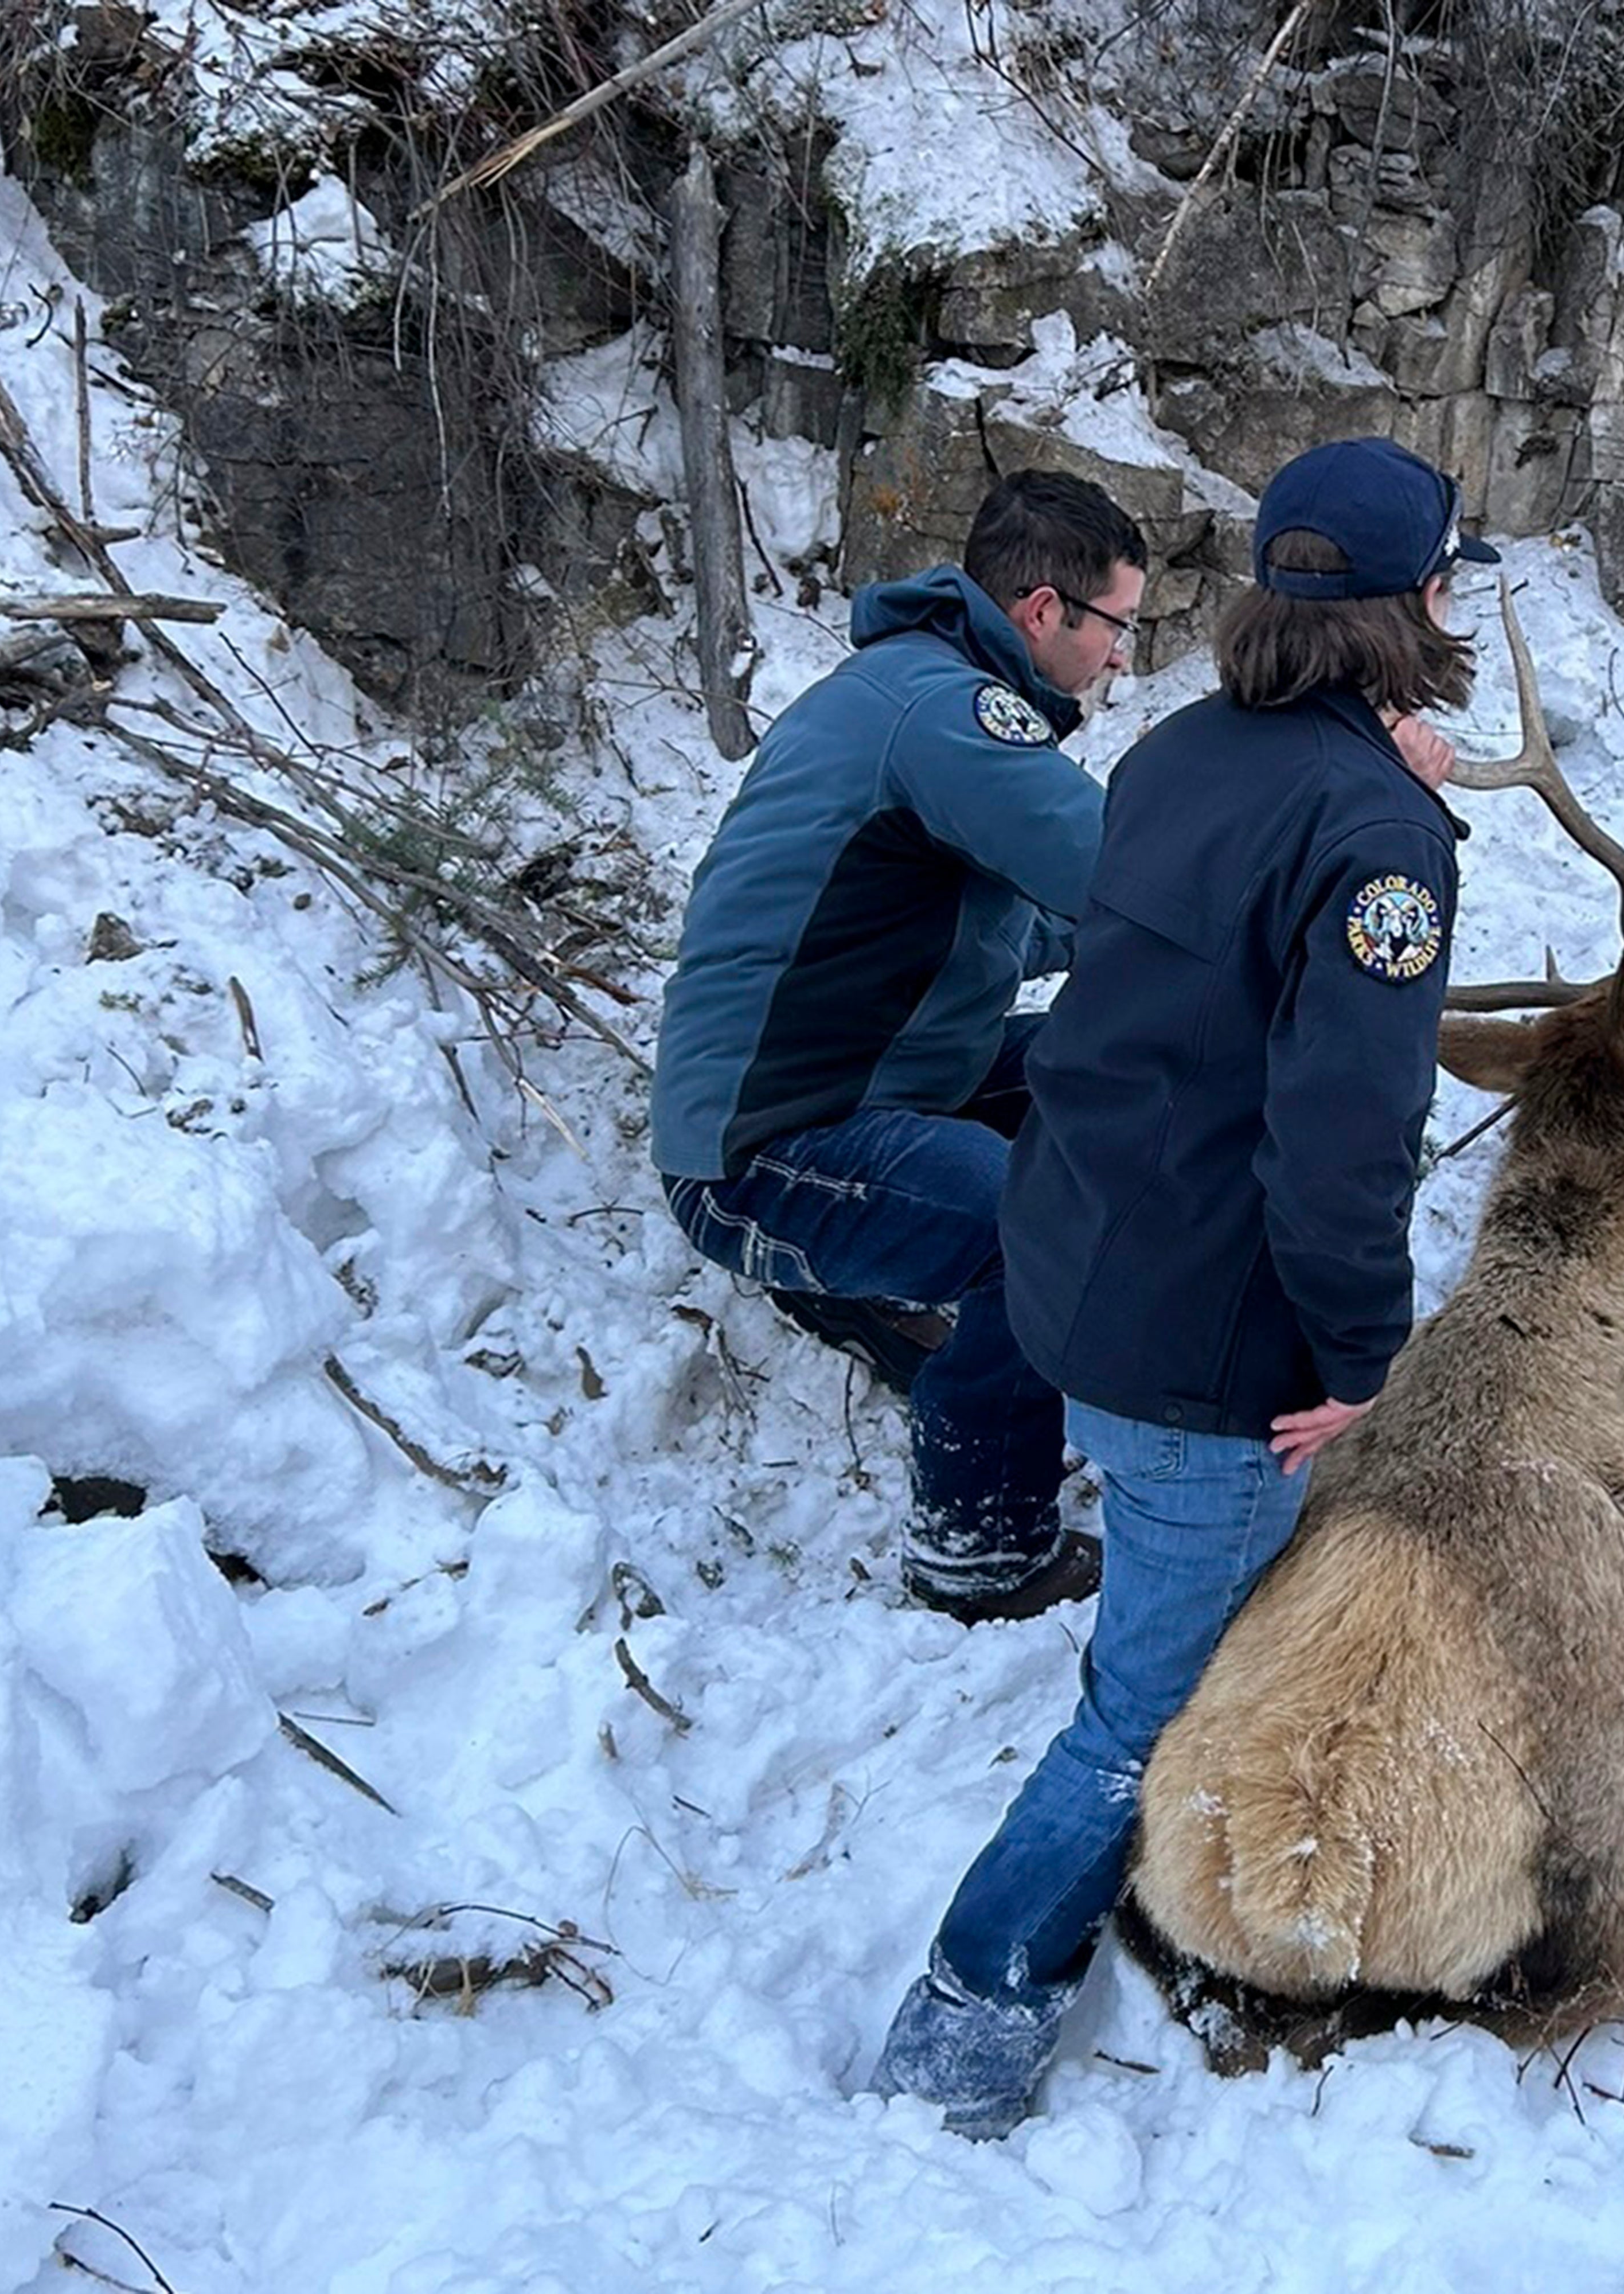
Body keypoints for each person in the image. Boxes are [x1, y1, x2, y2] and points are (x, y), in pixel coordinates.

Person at [865, 435, 1495, 2136]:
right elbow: (1340, 1145)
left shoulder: (1184, 752)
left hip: (1091, 1282)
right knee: (1137, 1715)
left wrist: (1384, 791)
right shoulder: (1378, 840)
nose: (1456, 601)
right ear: (1409, 607)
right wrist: (1363, 1352)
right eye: (1448, 577)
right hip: (1211, 1359)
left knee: (1171, 1644)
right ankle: (966, 2026)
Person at [650, 470, 1149, 1624]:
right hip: (762, 1150)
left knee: (1111, 1060)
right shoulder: (949, 717)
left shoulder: (918, 694)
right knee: (1031, 1221)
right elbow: (1126, 876)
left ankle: (932, 1311)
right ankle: (980, 1550)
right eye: (1118, 625)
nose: (1123, 657)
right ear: (1042, 612)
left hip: (884, 1072)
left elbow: (1031, 925)